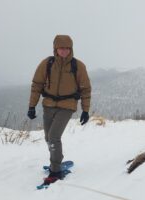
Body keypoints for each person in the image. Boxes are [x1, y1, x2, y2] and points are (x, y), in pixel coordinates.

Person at [27, 35, 91, 181]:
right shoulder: (47, 63)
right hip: (49, 104)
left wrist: (85, 110)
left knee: (54, 137)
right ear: (55, 48)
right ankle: (56, 161)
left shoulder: (78, 66)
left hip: (67, 106)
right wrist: (32, 106)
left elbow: (85, 89)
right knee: (48, 137)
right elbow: (37, 85)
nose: (64, 51)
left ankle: (55, 171)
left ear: (71, 49)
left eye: (67, 48)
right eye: (61, 48)